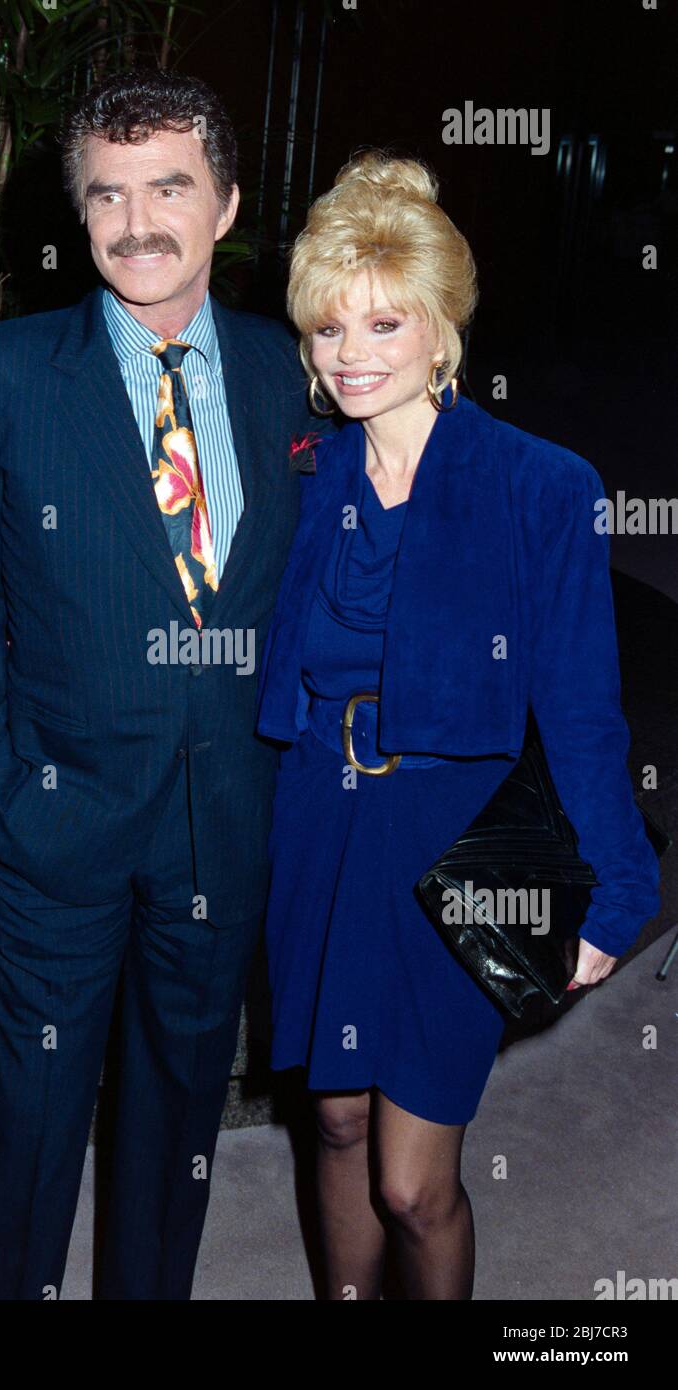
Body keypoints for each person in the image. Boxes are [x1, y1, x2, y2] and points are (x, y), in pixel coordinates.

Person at [0, 66, 328, 1300]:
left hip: (229, 820)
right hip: (56, 813)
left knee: (177, 1122)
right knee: (31, 1111)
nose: (137, 221)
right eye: (108, 193)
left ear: (228, 203)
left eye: (169, 187)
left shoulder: (292, 371)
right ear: (79, 212)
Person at [254, 150, 661, 1300]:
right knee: (332, 1120)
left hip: (455, 844)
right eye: (330, 331)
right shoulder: (308, 478)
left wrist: (615, 892)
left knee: (411, 1180)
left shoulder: (541, 486)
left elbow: (583, 709)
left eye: (384, 326)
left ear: (441, 332)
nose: (352, 358)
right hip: (318, 828)